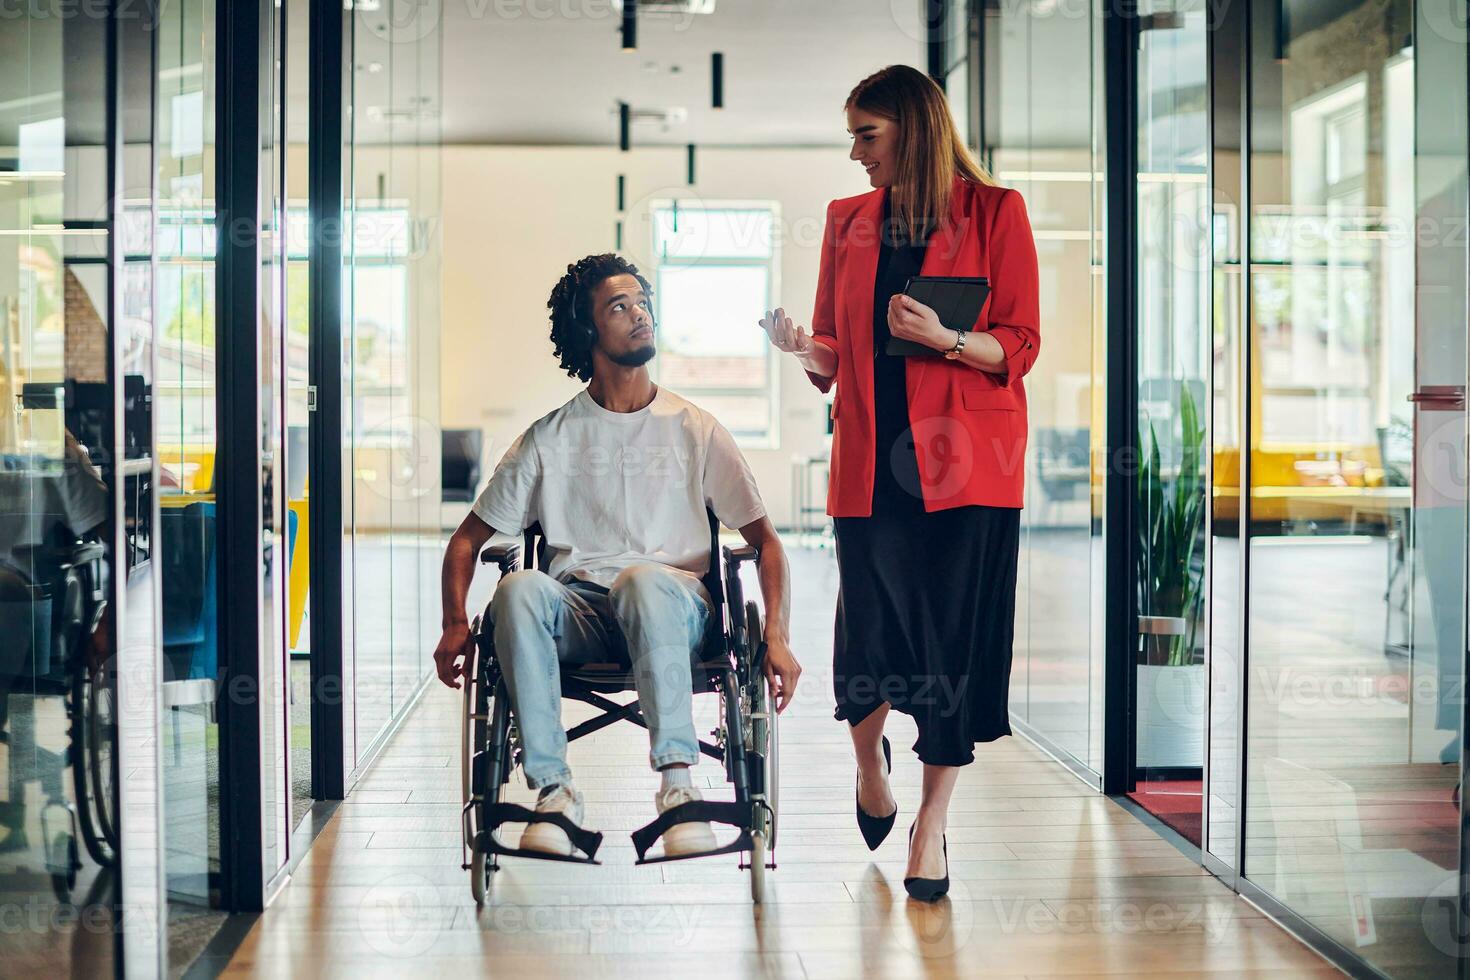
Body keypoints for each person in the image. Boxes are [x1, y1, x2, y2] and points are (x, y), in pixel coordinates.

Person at [758, 65, 1040, 900]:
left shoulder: (997, 212)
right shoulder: (847, 223)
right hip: (872, 462)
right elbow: (835, 354)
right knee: (870, 632)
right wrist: (799, 348)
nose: (854, 154)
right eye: (852, 134)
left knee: (951, 644)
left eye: (866, 134)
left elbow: (1018, 343)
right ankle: (870, 773)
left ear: (913, 129)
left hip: (969, 468)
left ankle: (933, 827)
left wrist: (952, 337)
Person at [435, 253, 801, 859]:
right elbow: (466, 543)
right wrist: (454, 625)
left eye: (643, 303)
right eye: (618, 306)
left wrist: (779, 635)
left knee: (642, 581)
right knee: (519, 588)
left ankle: (679, 789)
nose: (640, 315)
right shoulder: (549, 438)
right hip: (578, 613)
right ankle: (554, 792)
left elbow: (765, 543)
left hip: (674, 604)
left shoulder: (694, 428)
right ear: (588, 331)